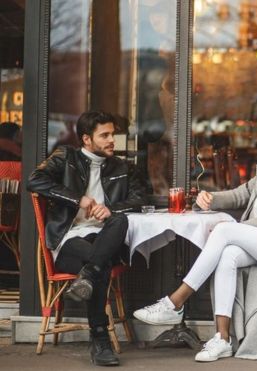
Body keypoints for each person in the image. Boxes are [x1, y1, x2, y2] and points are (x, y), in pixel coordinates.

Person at [133, 107, 257, 361]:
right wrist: (212, 199)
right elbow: (242, 193)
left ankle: (175, 301)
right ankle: (222, 338)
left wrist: (243, 228)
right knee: (228, 255)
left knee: (225, 231)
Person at [27, 110, 146, 366]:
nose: (112, 140)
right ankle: (99, 339)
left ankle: (88, 277)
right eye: (104, 135)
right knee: (100, 265)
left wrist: (111, 210)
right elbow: (34, 180)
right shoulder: (66, 158)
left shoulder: (122, 167)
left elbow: (140, 200)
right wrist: (77, 198)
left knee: (119, 221)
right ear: (86, 139)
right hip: (70, 241)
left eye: (113, 134)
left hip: (106, 237)